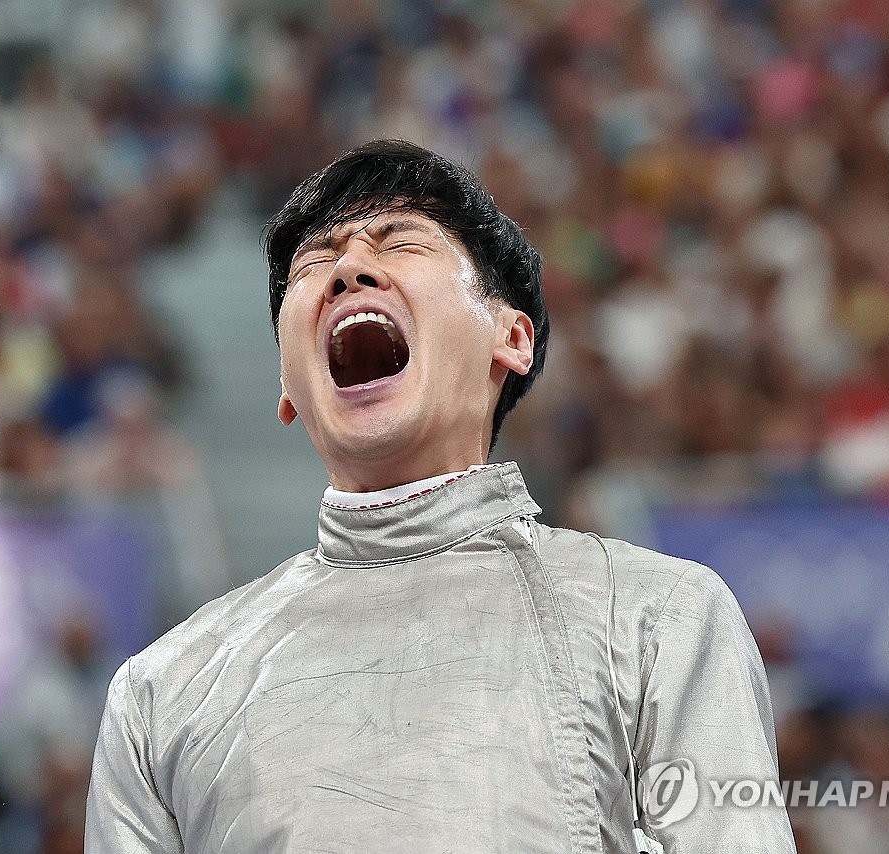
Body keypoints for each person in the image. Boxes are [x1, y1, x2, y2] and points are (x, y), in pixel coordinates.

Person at [85, 140, 796, 852]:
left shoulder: (658, 619)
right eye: (315, 262)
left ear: (510, 337)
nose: (350, 269)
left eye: (400, 242)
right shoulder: (160, 697)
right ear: (286, 387)